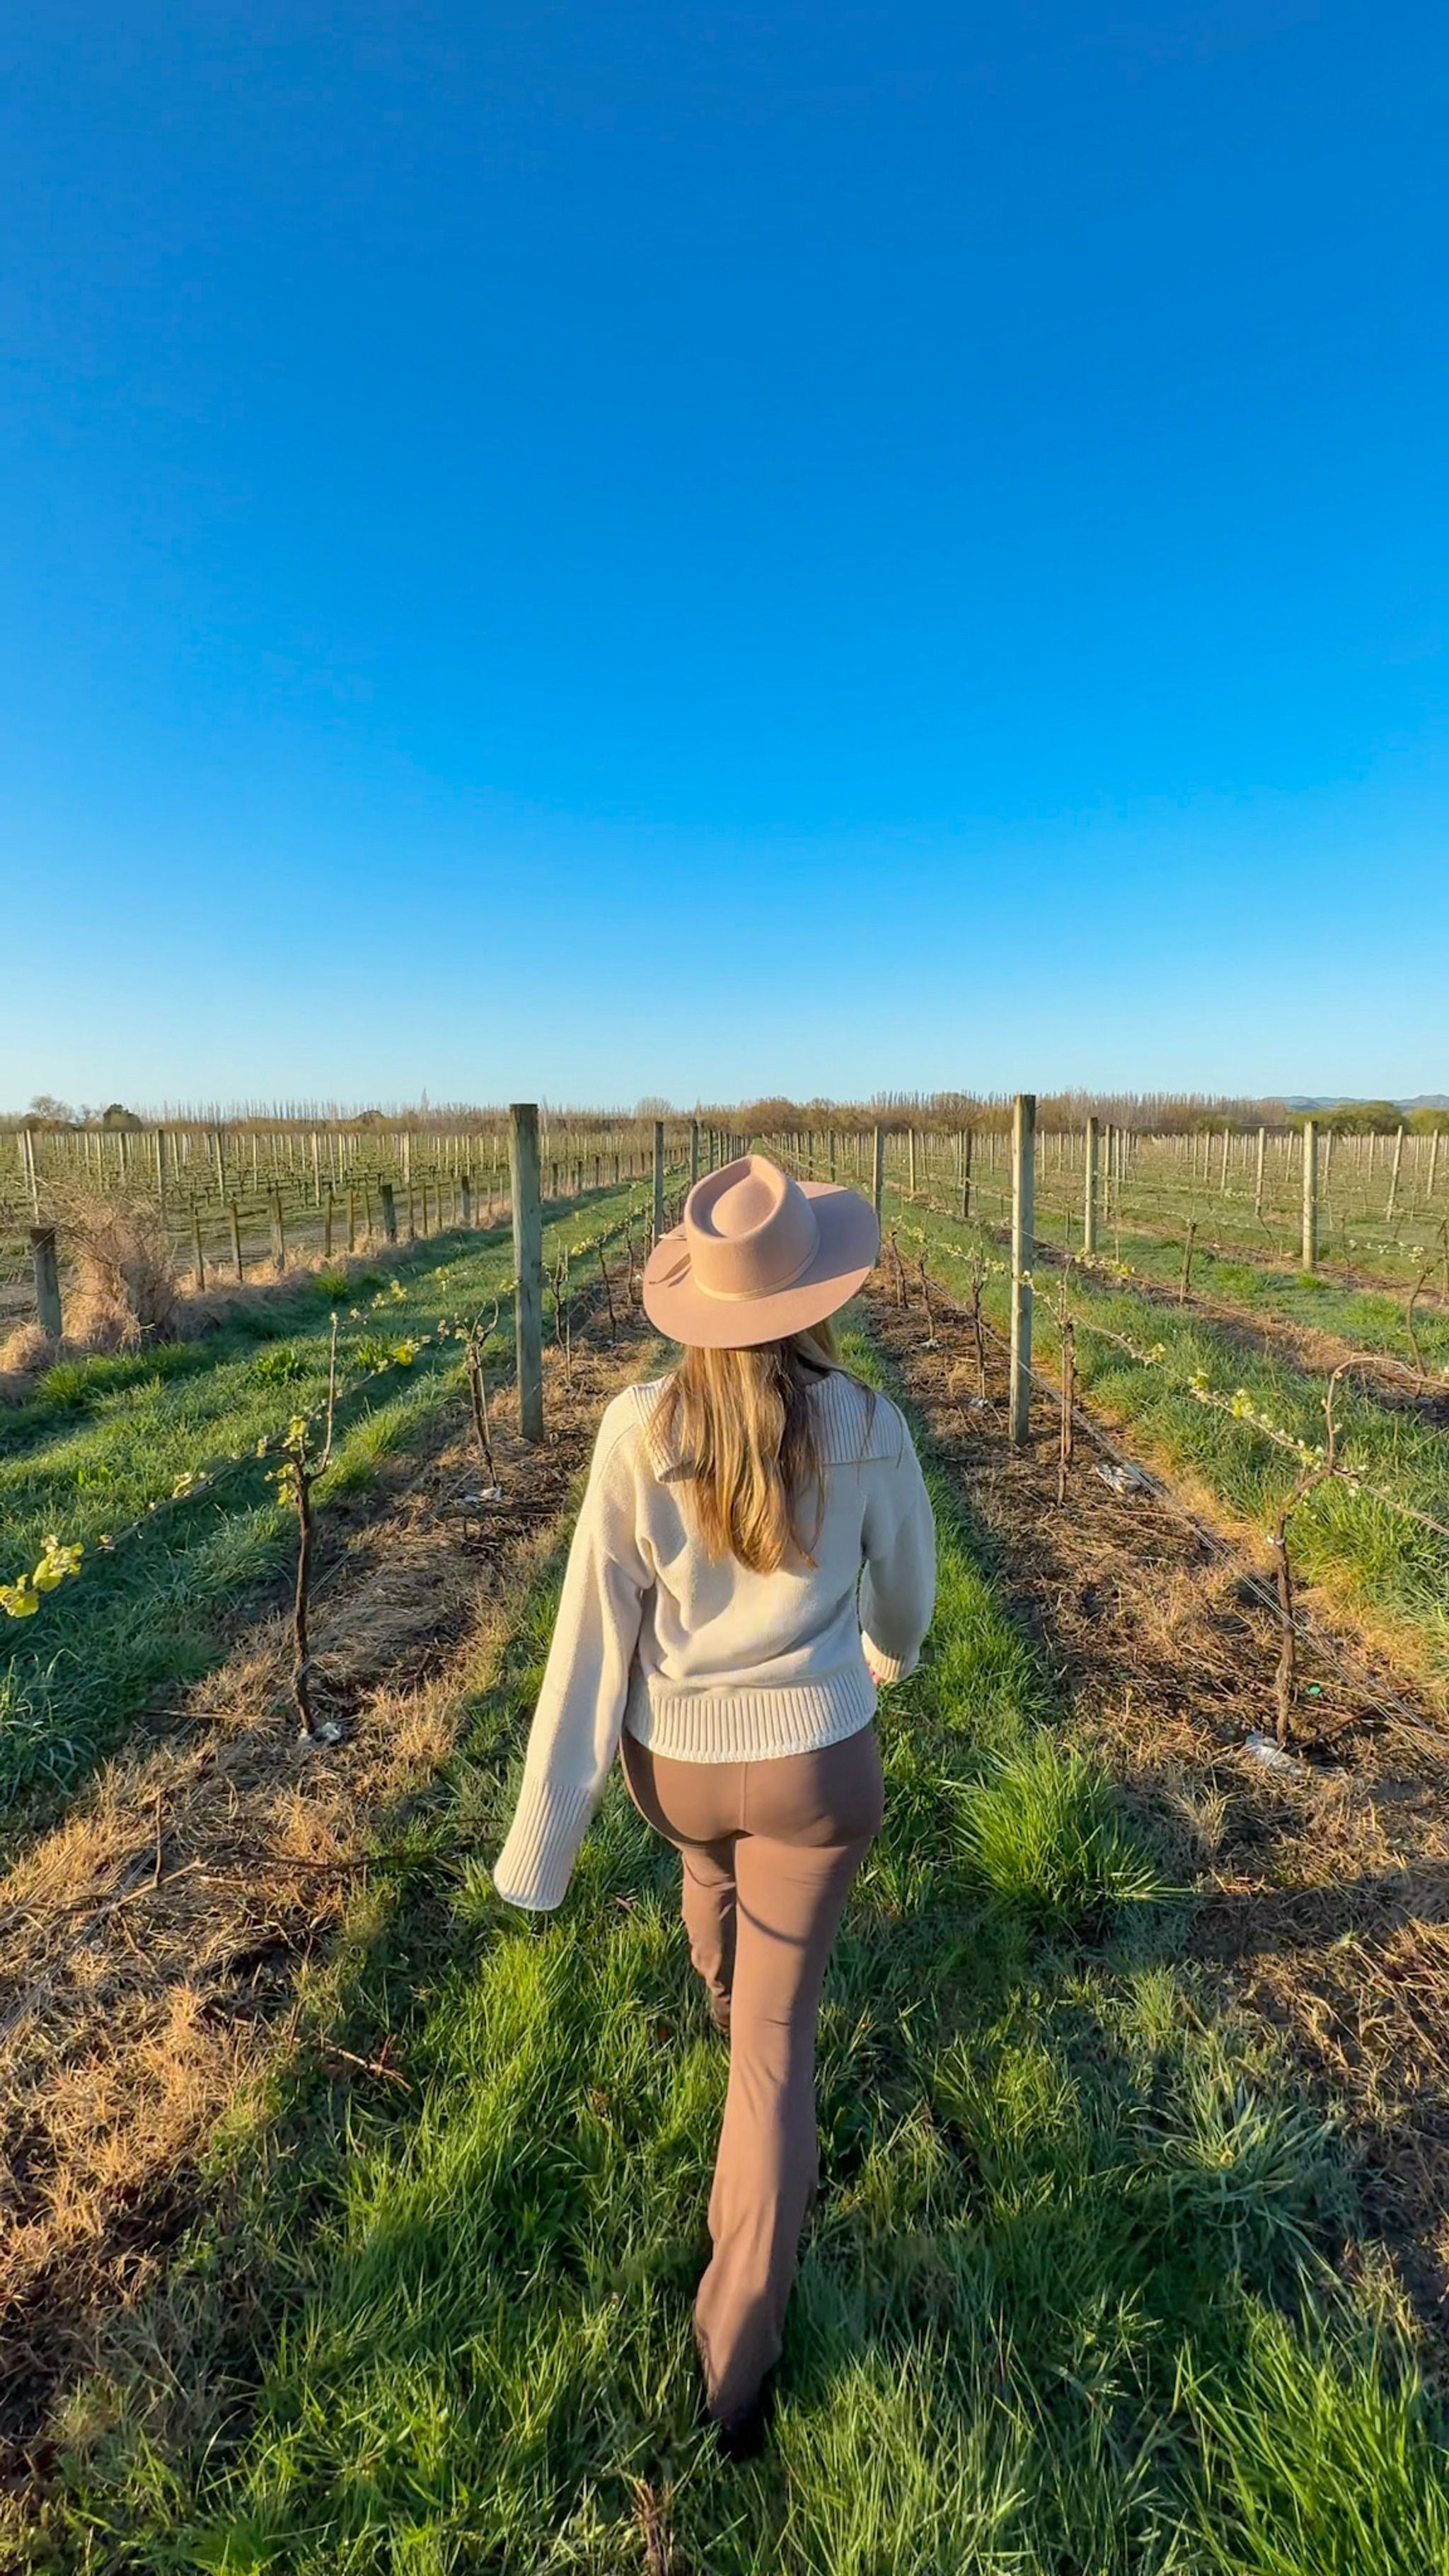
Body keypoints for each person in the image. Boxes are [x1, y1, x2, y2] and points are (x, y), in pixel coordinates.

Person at [490, 1152, 936, 2455]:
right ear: (818, 1291)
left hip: (676, 1769)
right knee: (779, 2052)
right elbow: (905, 1601)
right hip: (819, 1768)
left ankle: (725, 1996)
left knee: (710, 1871)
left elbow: (590, 1636)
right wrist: (883, 1657)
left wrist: (546, 1837)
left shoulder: (639, 1428)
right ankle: (738, 2366)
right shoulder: (869, 1423)